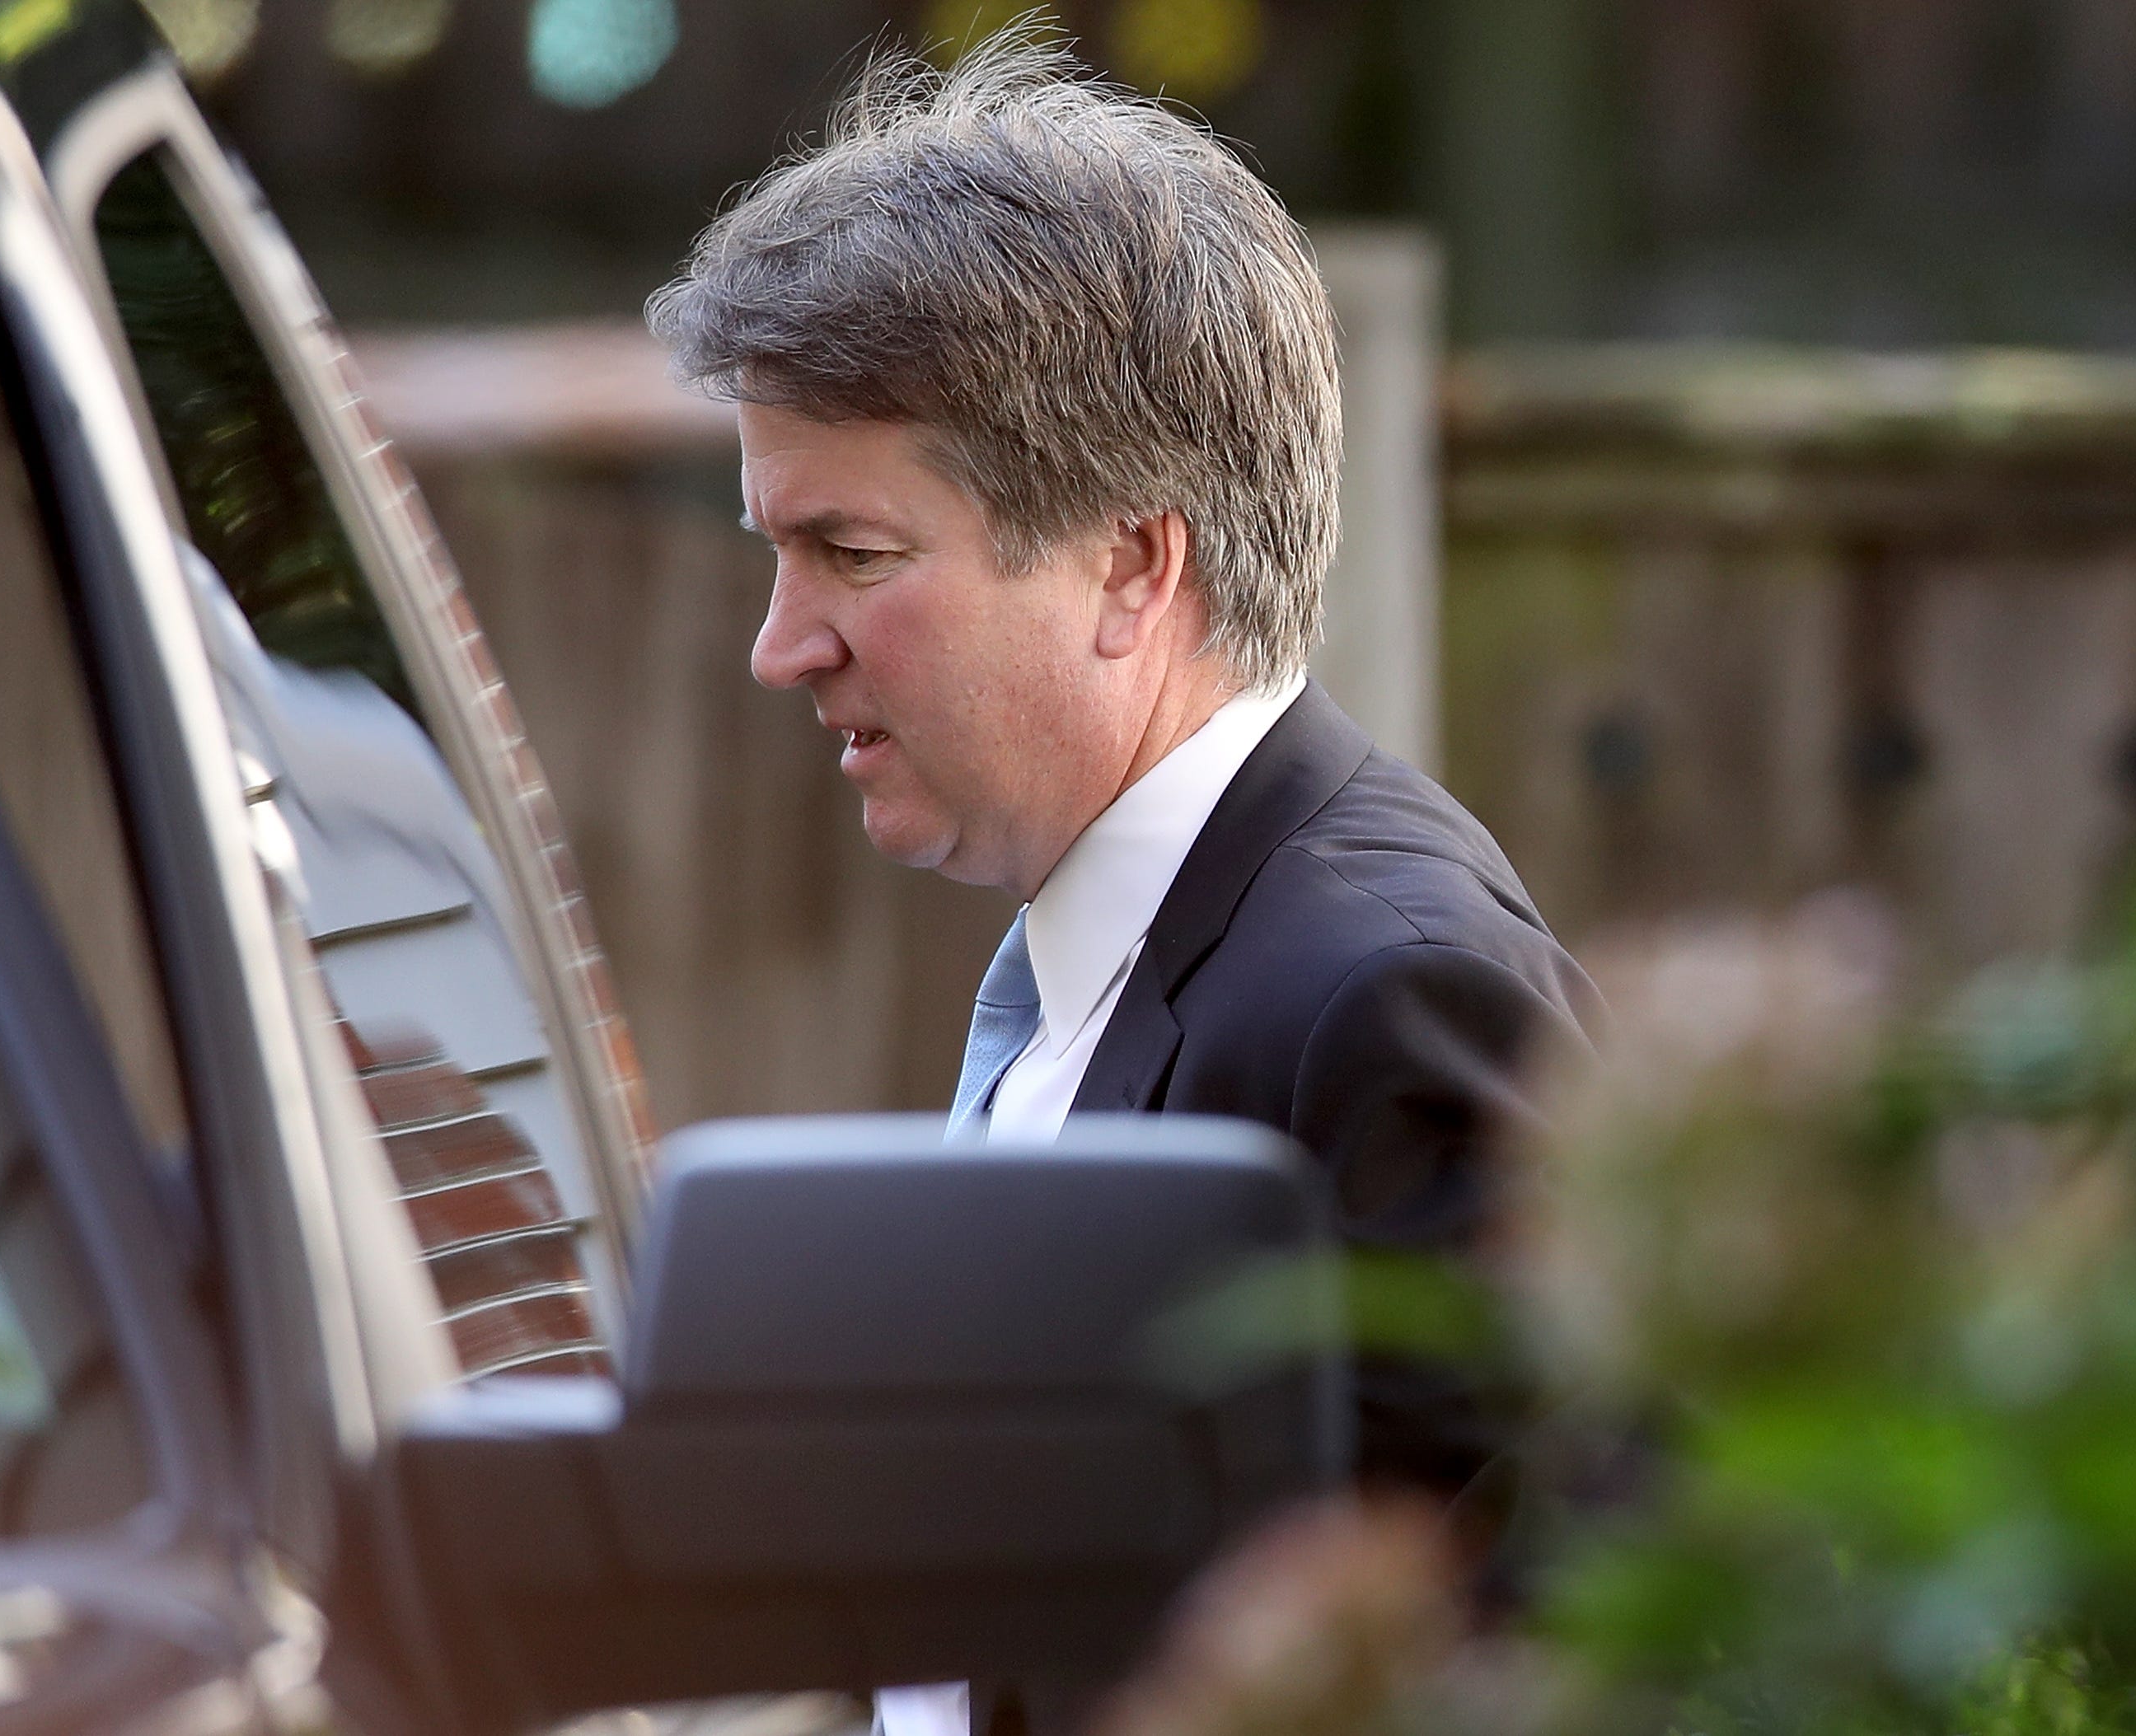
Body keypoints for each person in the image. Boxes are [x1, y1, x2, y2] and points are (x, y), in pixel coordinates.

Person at [648, 26, 1600, 1734]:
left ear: (1131, 565)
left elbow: (1551, 1662)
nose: (780, 648)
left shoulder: (1386, 999)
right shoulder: (1118, 931)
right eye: (774, 552)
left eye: (851, 555)